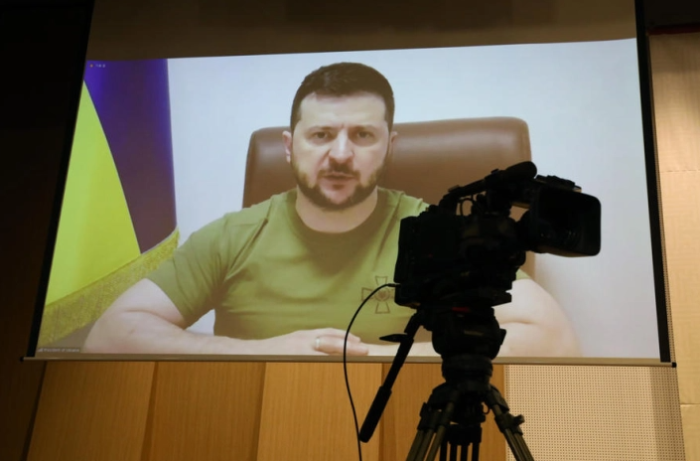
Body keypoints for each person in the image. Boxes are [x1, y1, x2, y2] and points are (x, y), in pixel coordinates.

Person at [83, 62, 580, 358]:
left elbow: (553, 339)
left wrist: (383, 362)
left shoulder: (439, 232)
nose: (340, 155)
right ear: (289, 146)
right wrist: (266, 353)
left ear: (389, 146)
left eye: (362, 135)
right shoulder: (233, 236)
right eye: (321, 134)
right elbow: (109, 335)